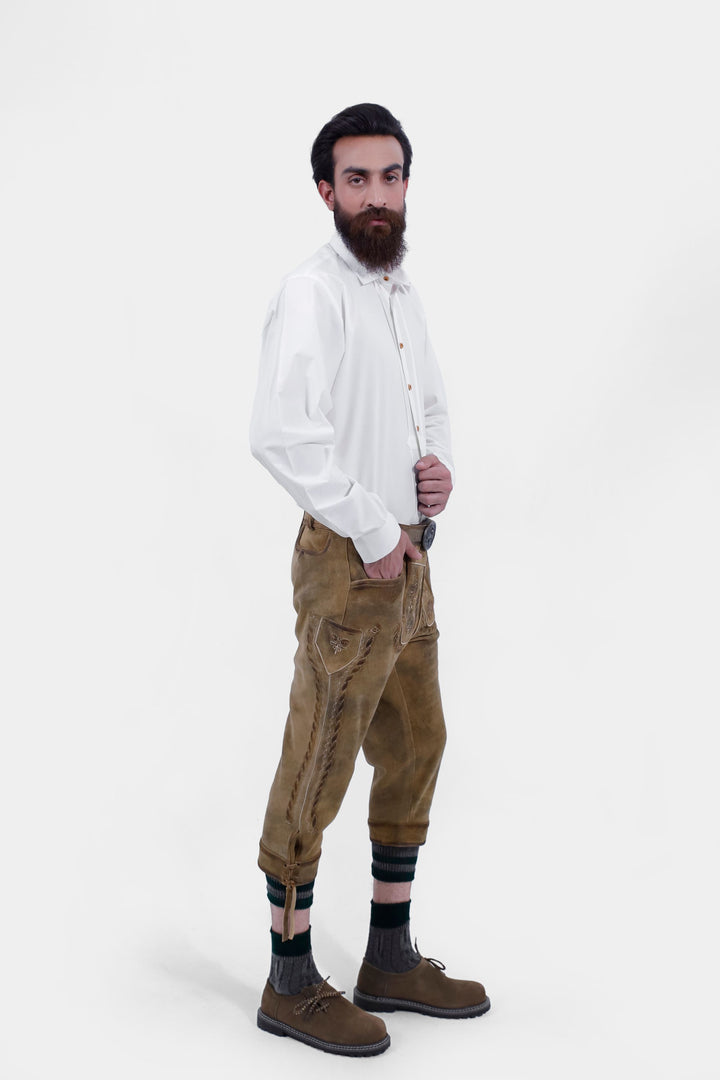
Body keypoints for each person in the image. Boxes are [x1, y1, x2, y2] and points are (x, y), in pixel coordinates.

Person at [250, 103, 489, 1057]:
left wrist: (436, 465)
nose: (378, 196)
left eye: (391, 177)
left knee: (417, 738)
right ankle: (289, 978)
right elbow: (280, 434)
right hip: (351, 565)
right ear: (326, 191)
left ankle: (388, 954)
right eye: (358, 180)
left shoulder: (400, 290)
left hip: (410, 558)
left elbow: (425, 398)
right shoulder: (312, 293)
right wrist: (371, 522)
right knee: (322, 757)